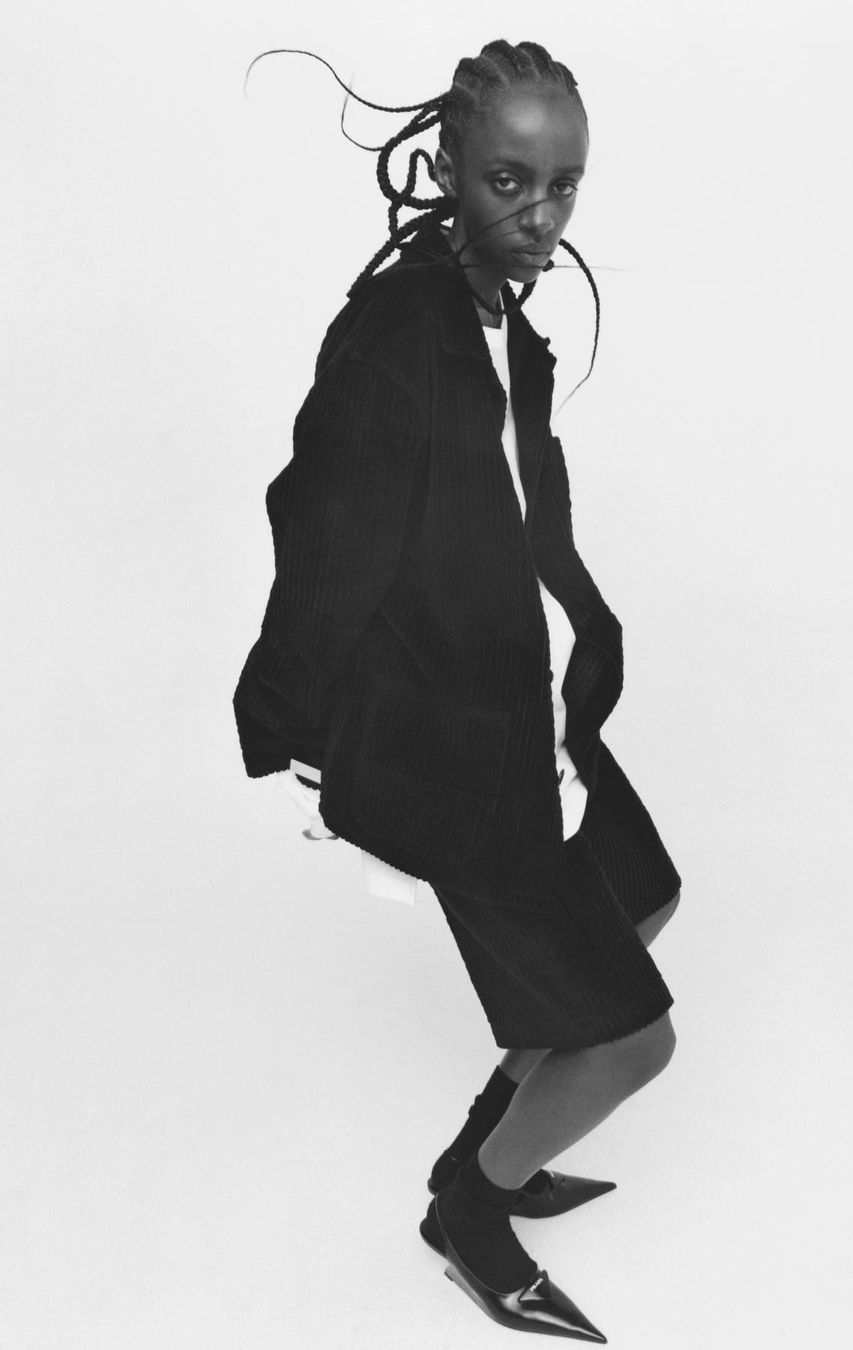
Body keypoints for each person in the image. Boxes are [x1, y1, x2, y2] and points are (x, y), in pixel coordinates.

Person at [233, 39, 682, 1343]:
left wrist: (586, 637)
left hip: (525, 704)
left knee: (644, 893)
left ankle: (488, 1146)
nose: (540, 216)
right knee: (634, 1042)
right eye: (508, 181)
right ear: (446, 168)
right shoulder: (398, 334)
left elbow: (518, 508)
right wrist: (298, 732)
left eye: (563, 185)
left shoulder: (500, 323)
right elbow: (322, 529)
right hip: (446, 739)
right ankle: (472, 1217)